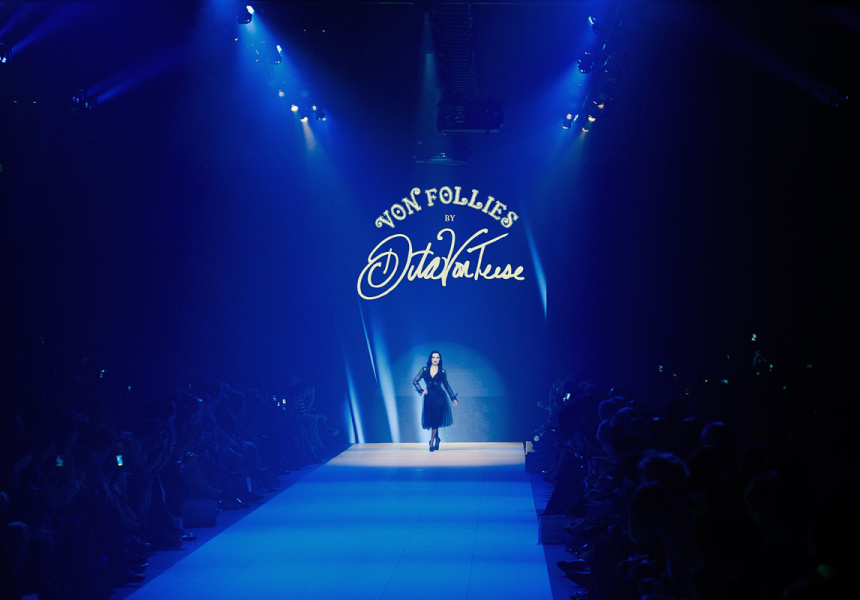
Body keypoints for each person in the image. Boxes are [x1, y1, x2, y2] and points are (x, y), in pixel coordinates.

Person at [412, 351, 458, 452]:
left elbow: (446, 386)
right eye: (433, 357)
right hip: (429, 398)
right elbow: (415, 381)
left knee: (435, 419)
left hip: (440, 397)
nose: (435, 359)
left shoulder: (442, 372)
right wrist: (421, 390)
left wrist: (453, 398)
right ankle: (437, 439)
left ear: (440, 359)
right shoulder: (424, 370)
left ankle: (431, 441)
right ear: (430, 358)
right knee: (433, 419)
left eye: (437, 357)